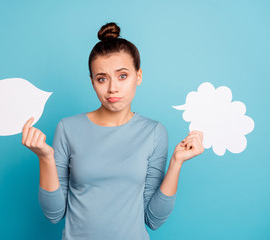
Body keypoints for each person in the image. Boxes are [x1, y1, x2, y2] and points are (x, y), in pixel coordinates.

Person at [22, 22, 204, 240]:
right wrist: (46, 157)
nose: (112, 88)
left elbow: (154, 220)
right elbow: (54, 214)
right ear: (92, 82)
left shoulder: (154, 132)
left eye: (123, 76)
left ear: (139, 76)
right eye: (102, 78)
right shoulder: (68, 128)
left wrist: (176, 162)